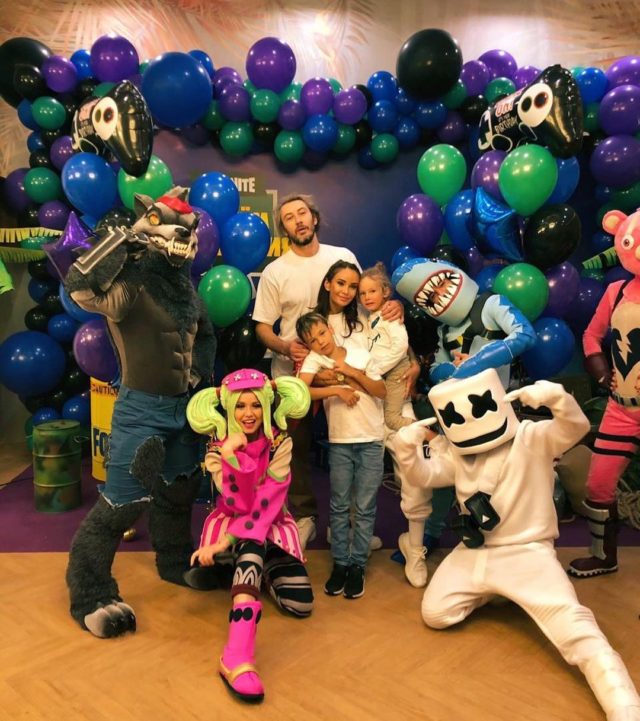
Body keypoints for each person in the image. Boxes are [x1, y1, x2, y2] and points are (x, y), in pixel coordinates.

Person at [392, 369, 640, 721]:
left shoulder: (530, 437)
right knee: (436, 614)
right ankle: (499, 592)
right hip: (476, 553)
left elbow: (575, 428)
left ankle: (624, 705)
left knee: (576, 630)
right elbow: (425, 475)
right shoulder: (459, 453)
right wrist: (407, 449)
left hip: (528, 553)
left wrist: (556, 398)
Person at [63, 188, 219, 638]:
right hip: (142, 411)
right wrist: (123, 240)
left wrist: (199, 379)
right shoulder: (129, 286)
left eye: (187, 227)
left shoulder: (186, 291)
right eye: (171, 224)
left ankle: (174, 562)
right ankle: (90, 593)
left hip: (183, 408)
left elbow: (206, 335)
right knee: (121, 503)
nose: (182, 235)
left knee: (179, 491)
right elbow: (79, 286)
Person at [252, 194, 406, 547]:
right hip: (294, 373)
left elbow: (369, 300)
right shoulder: (276, 271)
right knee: (295, 450)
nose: (298, 221)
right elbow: (262, 326)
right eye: (289, 217)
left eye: (302, 213)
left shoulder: (342, 257)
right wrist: (285, 347)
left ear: (314, 218)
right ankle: (303, 516)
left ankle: (350, 524)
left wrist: (392, 306)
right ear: (283, 227)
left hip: (346, 369)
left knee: (353, 448)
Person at [389, 256, 536, 588]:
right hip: (459, 421)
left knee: (502, 483)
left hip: (499, 417)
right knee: (446, 476)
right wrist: (451, 369)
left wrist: (479, 361)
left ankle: (510, 548)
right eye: (427, 296)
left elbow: (524, 334)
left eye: (440, 283)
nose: (438, 294)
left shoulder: (491, 304)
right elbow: (435, 368)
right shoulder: (444, 331)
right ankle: (430, 534)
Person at [185, 369, 313, 703]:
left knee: (300, 604)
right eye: (240, 406)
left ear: (267, 406)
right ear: (229, 409)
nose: (248, 413)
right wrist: (231, 455)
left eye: (256, 405)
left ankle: (246, 568)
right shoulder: (217, 449)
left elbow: (266, 503)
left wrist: (225, 543)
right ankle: (236, 657)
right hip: (234, 521)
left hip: (270, 521)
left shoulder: (281, 443)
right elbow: (238, 504)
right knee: (252, 546)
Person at [568, 208, 640, 579]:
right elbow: (591, 336)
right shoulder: (617, 292)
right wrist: (601, 373)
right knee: (598, 485)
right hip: (621, 409)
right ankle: (603, 556)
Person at [296, 312, 386, 599]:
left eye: (322, 333)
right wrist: (336, 389)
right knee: (338, 505)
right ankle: (340, 564)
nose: (320, 342)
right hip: (340, 442)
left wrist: (352, 373)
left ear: (330, 329)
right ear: (308, 346)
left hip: (371, 439)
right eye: (312, 340)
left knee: (365, 506)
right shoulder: (315, 361)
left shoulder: (360, 353)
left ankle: (357, 565)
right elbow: (301, 389)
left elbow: (381, 390)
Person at [359, 262, 412, 431]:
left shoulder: (390, 314)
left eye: (372, 291)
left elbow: (401, 346)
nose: (367, 297)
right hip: (383, 373)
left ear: (386, 292)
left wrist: (378, 369)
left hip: (397, 370)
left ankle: (429, 434)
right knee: (382, 417)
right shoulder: (370, 317)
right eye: (362, 293)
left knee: (392, 419)